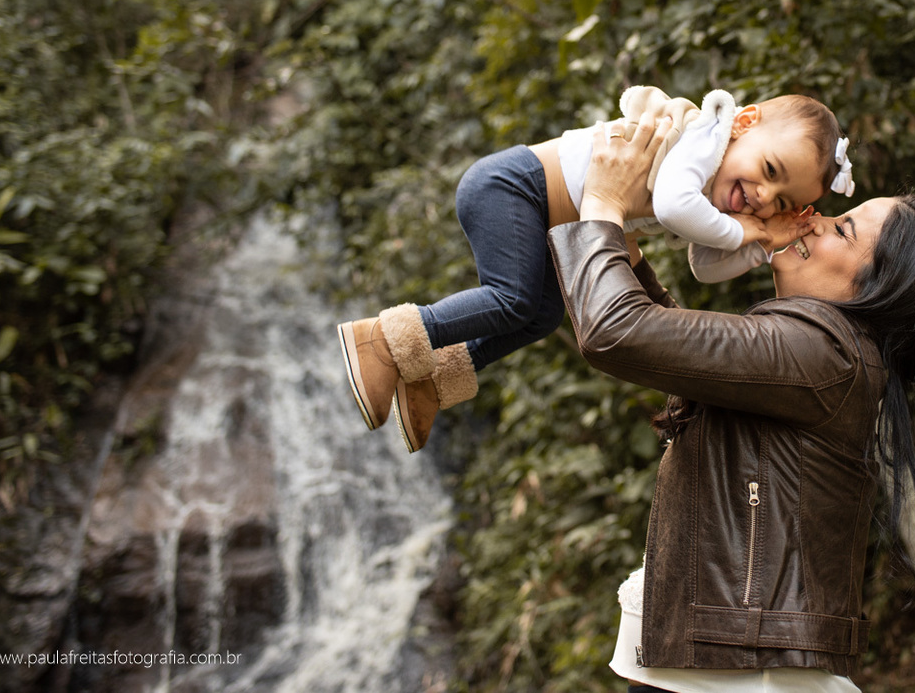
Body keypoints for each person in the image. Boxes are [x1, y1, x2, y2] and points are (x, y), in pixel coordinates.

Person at [546, 113, 915, 691]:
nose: (813, 220)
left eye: (842, 229)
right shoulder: (827, 351)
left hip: (747, 665)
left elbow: (615, 331)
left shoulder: (827, 351)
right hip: (740, 658)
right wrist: (628, 253)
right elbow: (683, 357)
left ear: (877, 292)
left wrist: (601, 201)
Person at [338, 86, 855, 453]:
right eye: (769, 171)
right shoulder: (705, 137)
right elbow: (675, 209)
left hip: (537, 215)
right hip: (514, 187)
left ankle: (429, 381)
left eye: (780, 199)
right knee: (513, 298)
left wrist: (765, 244)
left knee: (539, 317)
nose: (763, 196)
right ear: (744, 125)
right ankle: (381, 341)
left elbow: (706, 267)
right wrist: (752, 231)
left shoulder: (719, 199)